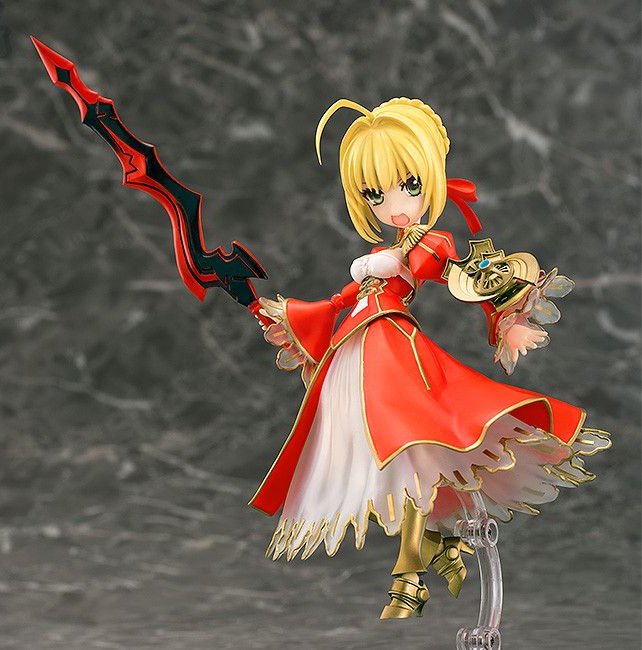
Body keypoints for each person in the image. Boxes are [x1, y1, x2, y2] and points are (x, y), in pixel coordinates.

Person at [248, 97, 610, 619]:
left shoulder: (432, 243)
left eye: (409, 185)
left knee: (412, 445)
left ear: (430, 177)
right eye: (375, 193)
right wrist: (290, 316)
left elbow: (469, 280)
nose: (393, 203)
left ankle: (412, 571)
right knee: (390, 455)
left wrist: (510, 321)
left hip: (395, 350)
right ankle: (439, 544)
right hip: (363, 347)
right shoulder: (392, 249)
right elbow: (342, 301)